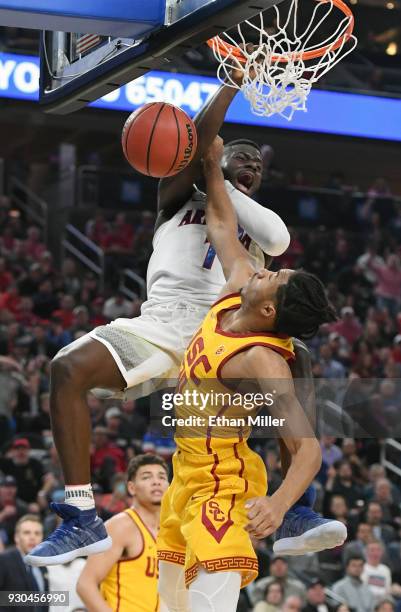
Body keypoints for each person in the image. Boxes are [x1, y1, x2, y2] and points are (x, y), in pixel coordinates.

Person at [24, 69, 293, 565]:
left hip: (222, 332)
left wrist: (218, 173)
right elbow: (194, 148)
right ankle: (82, 516)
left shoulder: (258, 219)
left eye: (257, 163)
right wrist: (228, 87)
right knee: (66, 368)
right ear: (212, 152)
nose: (250, 164)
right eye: (239, 156)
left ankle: (302, 509)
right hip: (161, 325)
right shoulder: (173, 198)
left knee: (291, 367)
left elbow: (277, 242)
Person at [156, 137, 344, 612]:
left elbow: (307, 448)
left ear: (268, 309)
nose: (267, 270)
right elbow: (221, 221)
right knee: (165, 604)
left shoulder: (263, 359)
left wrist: (279, 505)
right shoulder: (238, 287)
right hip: (185, 476)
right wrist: (210, 165)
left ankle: (298, 517)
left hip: (222, 483)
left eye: (274, 279)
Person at [77, 454, 169, 612]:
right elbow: (85, 585)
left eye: (161, 477)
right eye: (147, 477)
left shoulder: (170, 531)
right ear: (131, 488)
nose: (156, 481)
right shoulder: (120, 526)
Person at [0, 514, 49, 612]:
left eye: (37, 533)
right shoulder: (4, 561)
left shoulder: (43, 567)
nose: (32, 537)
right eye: (27, 533)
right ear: (16, 537)